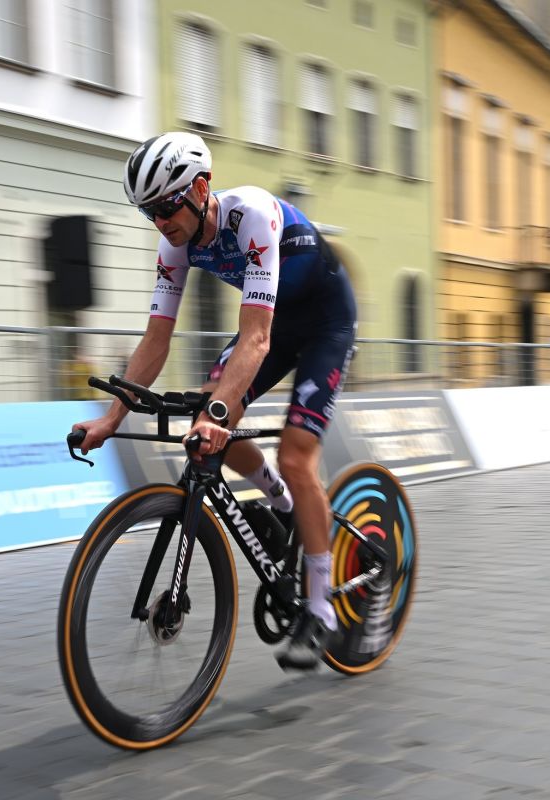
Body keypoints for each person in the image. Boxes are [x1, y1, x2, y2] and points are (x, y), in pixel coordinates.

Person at [71, 132, 358, 670]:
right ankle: (282, 505)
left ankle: (321, 608)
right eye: (148, 212)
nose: (159, 222)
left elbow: (256, 339)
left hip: (325, 323)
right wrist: (111, 418)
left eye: (165, 207)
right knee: (208, 419)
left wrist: (219, 415)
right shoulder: (174, 246)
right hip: (272, 324)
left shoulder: (252, 216)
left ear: (201, 188)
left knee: (294, 455)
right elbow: (156, 340)